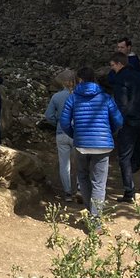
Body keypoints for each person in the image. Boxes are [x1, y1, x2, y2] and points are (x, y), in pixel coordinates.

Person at [58, 66, 123, 227]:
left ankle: (91, 213)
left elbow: (64, 122)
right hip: (103, 146)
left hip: (81, 145)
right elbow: (118, 120)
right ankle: (96, 221)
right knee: (99, 183)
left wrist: (75, 135)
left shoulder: (73, 98)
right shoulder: (105, 97)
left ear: (79, 80)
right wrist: (108, 133)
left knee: (83, 177)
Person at [108, 52, 140, 201]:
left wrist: (117, 124)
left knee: (125, 157)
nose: (112, 69)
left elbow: (122, 105)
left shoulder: (120, 80)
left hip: (129, 123)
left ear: (120, 64)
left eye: (113, 65)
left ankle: (129, 192)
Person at [44, 69, 78, 203]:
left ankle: (68, 192)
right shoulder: (79, 96)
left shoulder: (56, 97)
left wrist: (57, 123)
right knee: (80, 163)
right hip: (77, 133)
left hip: (61, 131)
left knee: (64, 164)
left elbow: (48, 115)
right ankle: (79, 188)